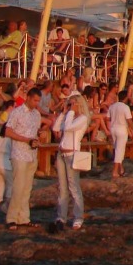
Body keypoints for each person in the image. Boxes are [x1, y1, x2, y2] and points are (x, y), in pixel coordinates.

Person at [3, 87, 43, 228]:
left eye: (38, 101)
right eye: (35, 100)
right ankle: (11, 218)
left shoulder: (37, 114)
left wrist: (37, 138)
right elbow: (8, 132)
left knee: (27, 189)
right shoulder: (17, 112)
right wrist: (27, 140)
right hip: (19, 153)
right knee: (18, 187)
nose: (36, 103)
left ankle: (24, 218)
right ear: (28, 98)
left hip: (32, 154)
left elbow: (35, 132)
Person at [51, 93, 90, 231]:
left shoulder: (82, 119)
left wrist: (71, 112)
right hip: (61, 154)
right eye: (70, 103)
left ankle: (78, 217)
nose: (71, 106)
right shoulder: (69, 117)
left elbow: (68, 127)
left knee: (74, 187)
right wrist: (63, 113)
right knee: (62, 188)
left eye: (73, 103)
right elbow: (56, 128)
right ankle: (61, 217)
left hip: (72, 154)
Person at [108, 89, 132, 178]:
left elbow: (107, 118)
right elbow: (129, 120)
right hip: (122, 128)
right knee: (120, 150)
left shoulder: (112, 106)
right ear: (126, 98)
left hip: (113, 128)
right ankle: (114, 171)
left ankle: (120, 169)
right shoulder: (125, 107)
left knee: (117, 148)